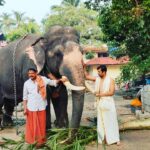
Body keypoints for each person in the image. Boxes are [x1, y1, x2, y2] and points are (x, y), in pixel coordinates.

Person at [23, 68, 66, 147]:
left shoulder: (43, 79)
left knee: (41, 124)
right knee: (32, 125)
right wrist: (25, 108)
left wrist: (60, 79)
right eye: (29, 74)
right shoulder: (26, 83)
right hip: (31, 107)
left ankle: (40, 140)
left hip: (41, 106)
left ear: (36, 73)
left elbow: (52, 82)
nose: (30, 75)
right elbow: (25, 97)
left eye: (32, 73)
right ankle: (32, 140)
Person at [84, 64, 120, 145]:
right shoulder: (98, 79)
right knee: (102, 122)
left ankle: (115, 139)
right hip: (100, 103)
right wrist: (83, 66)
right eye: (98, 71)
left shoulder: (111, 80)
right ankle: (104, 138)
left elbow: (111, 92)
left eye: (99, 72)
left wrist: (100, 94)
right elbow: (86, 76)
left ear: (104, 72)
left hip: (108, 103)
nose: (98, 73)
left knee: (111, 121)